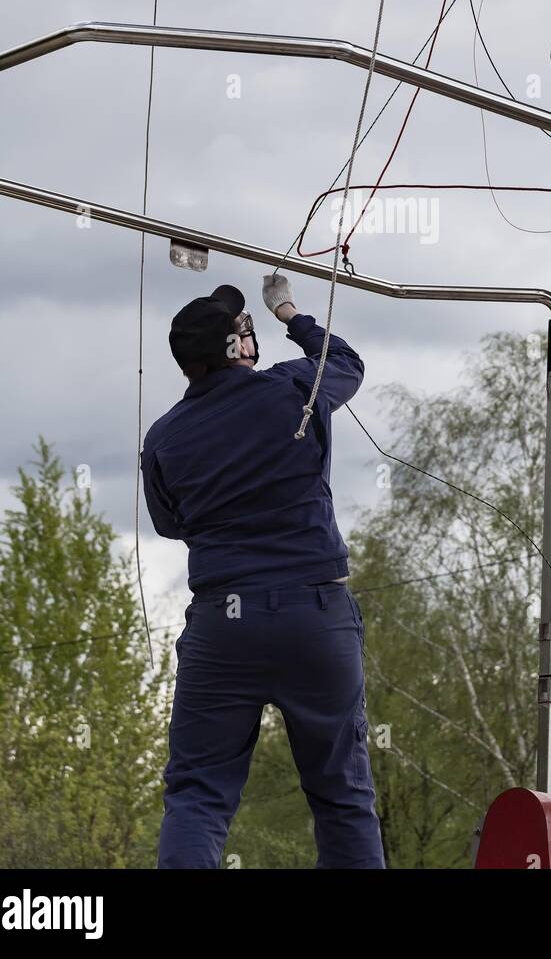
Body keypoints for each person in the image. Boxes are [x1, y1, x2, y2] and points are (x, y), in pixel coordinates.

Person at [141, 271, 385, 870]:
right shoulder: (291, 388)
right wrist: (290, 313)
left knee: (198, 797)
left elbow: (171, 525)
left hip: (224, 626)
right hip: (314, 618)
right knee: (342, 795)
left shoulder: (164, 438)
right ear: (241, 344)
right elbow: (346, 362)